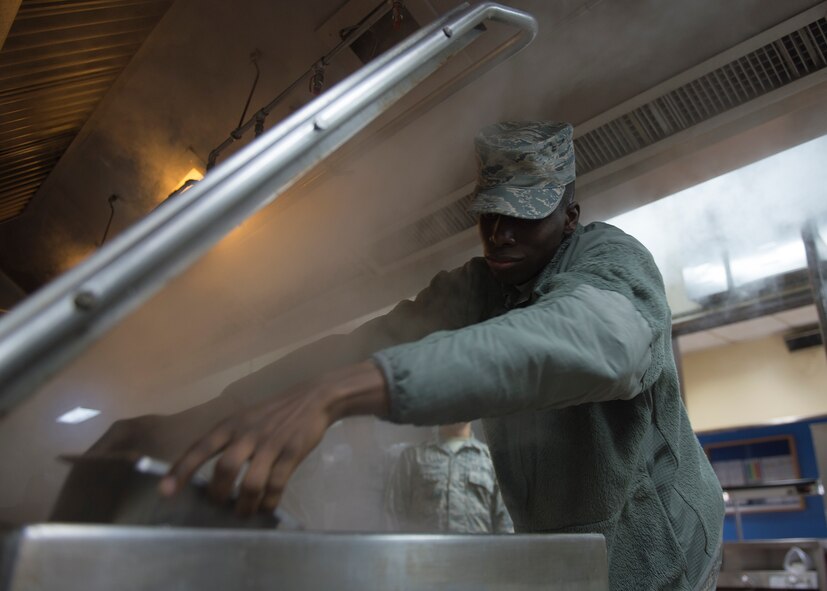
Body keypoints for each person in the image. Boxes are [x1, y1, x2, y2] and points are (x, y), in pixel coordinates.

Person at [89, 121, 724, 591]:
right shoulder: (479, 287)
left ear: (571, 216)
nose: (501, 233)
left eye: (525, 216)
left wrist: (348, 392)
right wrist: (189, 420)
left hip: (663, 552)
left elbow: (591, 344)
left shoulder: (611, 263)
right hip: (567, 558)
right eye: (489, 214)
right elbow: (356, 347)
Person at [385, 422, 513, 534]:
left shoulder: (491, 461)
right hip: (425, 557)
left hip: (479, 557)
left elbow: (506, 523)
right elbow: (393, 517)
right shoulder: (413, 458)